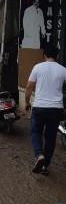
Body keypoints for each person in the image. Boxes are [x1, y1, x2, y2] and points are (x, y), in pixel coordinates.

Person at [25, 45, 66, 174]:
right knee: (50, 137)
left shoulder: (38, 67)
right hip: (56, 109)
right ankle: (45, 166)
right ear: (57, 56)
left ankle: (39, 155)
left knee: (35, 132)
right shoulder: (63, 70)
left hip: (40, 107)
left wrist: (27, 102)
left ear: (45, 55)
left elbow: (29, 87)